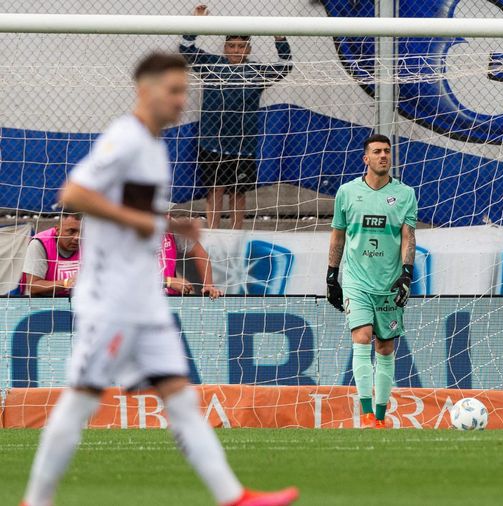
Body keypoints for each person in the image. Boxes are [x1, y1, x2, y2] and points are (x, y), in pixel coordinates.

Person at [20, 53, 298, 506]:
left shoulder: (152, 146)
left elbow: (132, 212)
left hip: (144, 300)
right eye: (174, 90)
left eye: (184, 90)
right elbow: (74, 193)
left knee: (180, 396)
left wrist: (171, 227)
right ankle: (35, 500)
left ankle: (234, 496)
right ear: (145, 90)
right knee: (83, 400)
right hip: (111, 300)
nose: (181, 100)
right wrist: (149, 224)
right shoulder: (124, 139)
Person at [326, 134, 418, 429]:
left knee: (386, 348)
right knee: (362, 337)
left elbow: (408, 236)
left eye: (387, 152)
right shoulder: (347, 193)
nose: (383, 156)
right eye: (377, 152)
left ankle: (380, 417)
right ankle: (366, 415)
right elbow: (338, 235)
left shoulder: (405, 194)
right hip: (356, 279)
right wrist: (331, 274)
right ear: (365, 158)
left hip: (389, 280)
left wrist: (406, 273)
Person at [180, 4, 293, 230]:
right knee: (215, 190)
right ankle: (212, 232)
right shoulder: (212, 65)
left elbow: (285, 65)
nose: (236, 50)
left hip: (243, 145)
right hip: (212, 143)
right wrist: (196, 22)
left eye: (241, 46)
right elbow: (186, 48)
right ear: (224, 48)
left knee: (238, 192)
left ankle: (236, 233)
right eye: (231, 45)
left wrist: (279, 36)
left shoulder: (256, 72)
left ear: (249, 49)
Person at [21, 212, 81, 296]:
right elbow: (33, 286)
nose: (77, 237)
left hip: (78, 302)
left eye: (82, 232)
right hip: (42, 303)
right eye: (71, 231)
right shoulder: (39, 244)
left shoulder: (89, 243)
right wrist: (67, 282)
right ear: (57, 230)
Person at [161, 229, 222, 298]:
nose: (167, 217)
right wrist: (169, 281)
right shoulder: (146, 235)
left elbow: (199, 252)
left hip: (170, 298)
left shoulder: (172, 229)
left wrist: (208, 285)